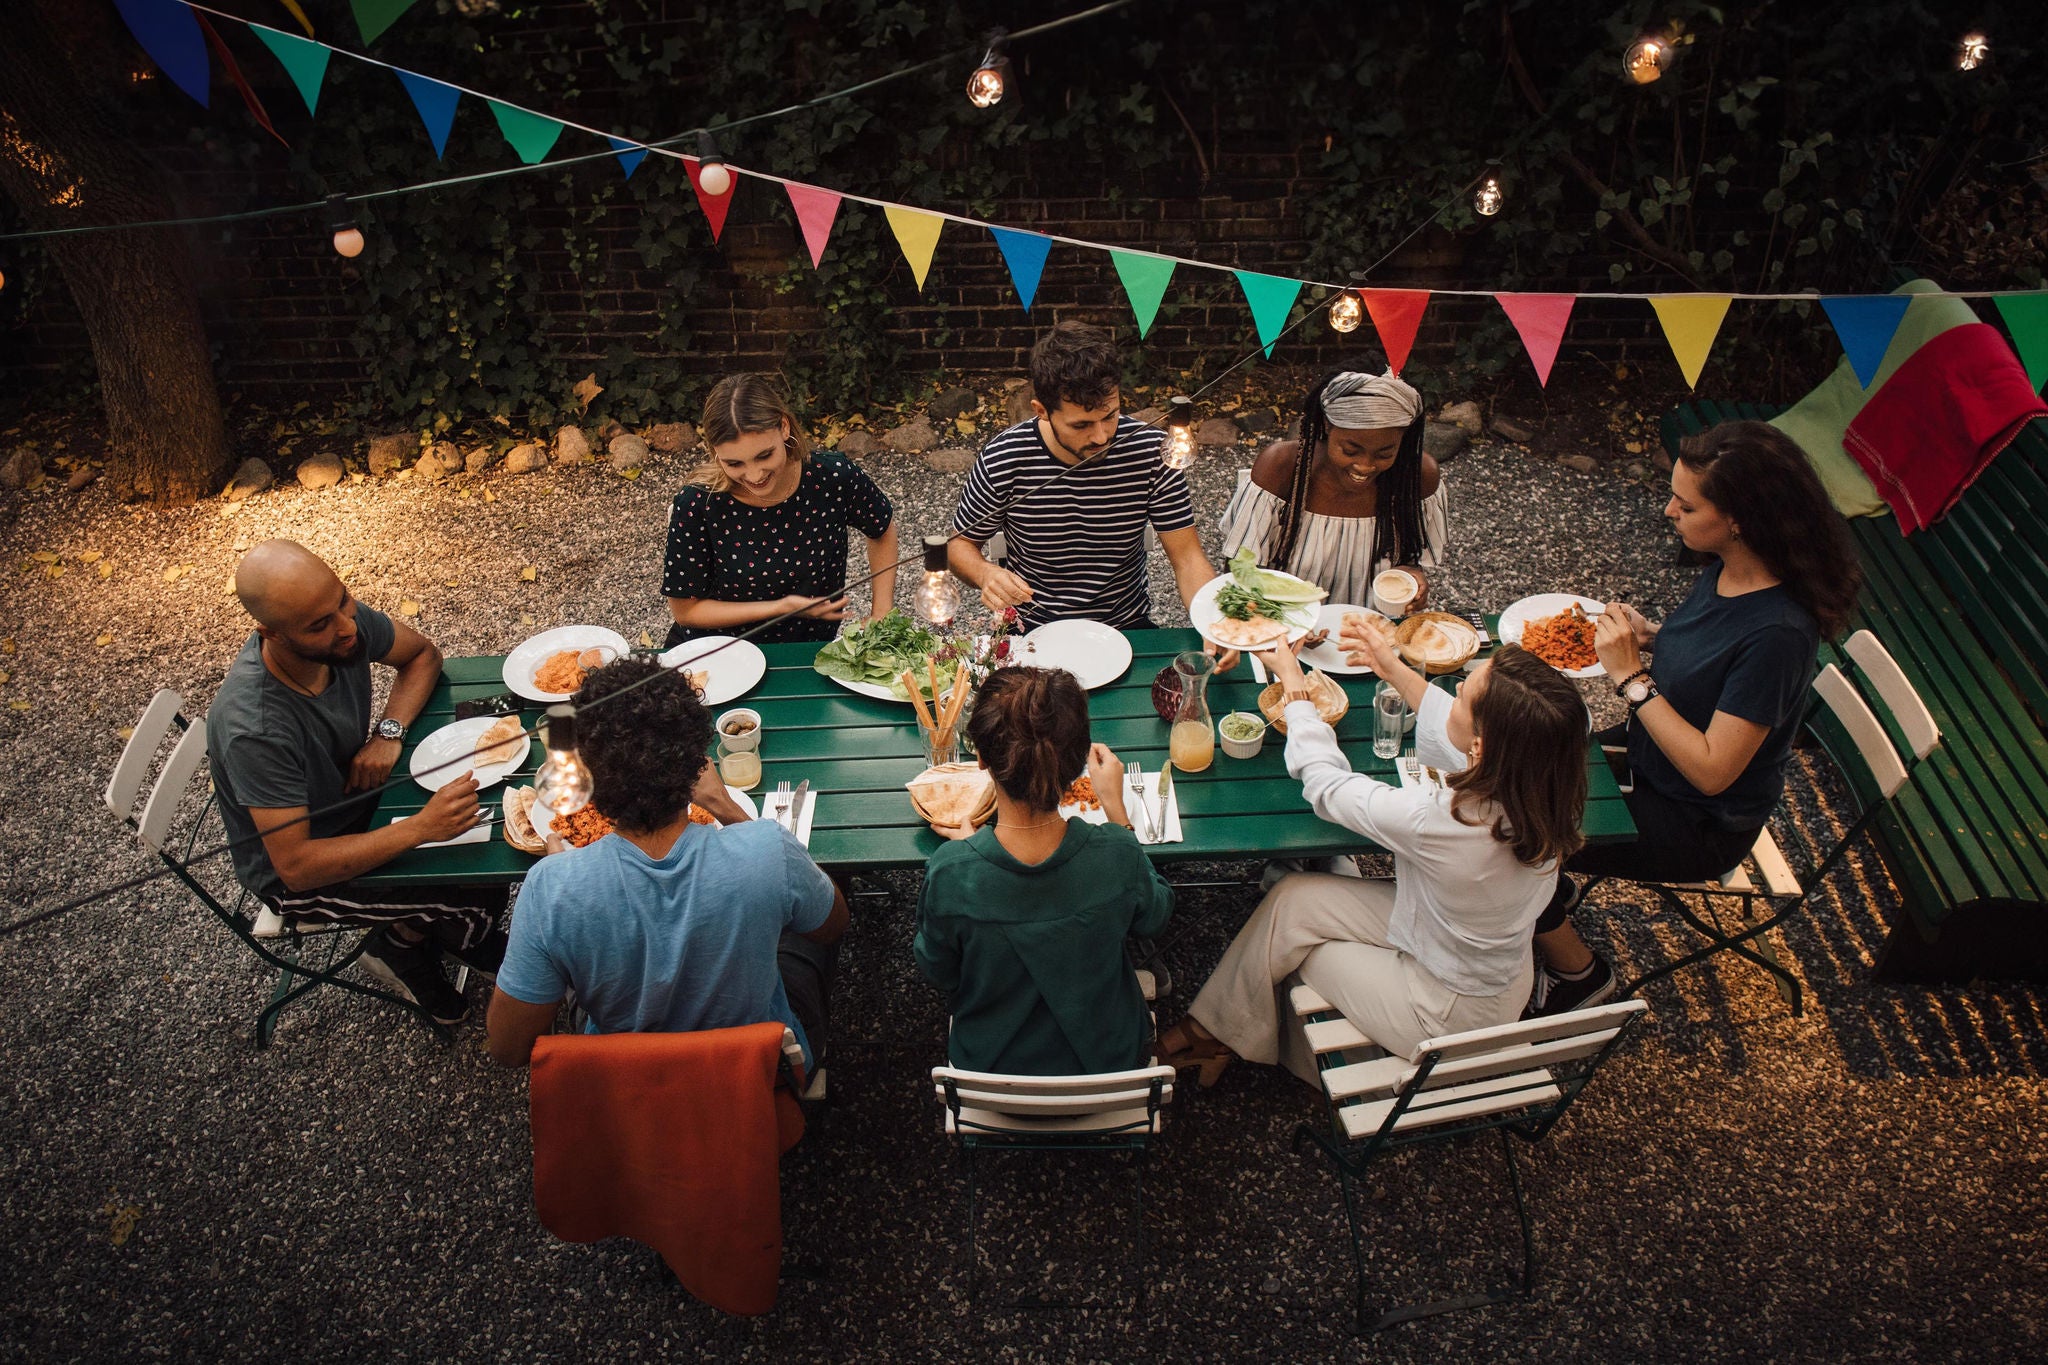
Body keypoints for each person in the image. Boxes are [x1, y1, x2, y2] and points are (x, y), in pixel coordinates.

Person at [1527, 420, 1862, 1015]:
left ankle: (1579, 973)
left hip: (1694, 819)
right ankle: (1545, 887)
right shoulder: (1729, 568)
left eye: (1686, 503)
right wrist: (1654, 638)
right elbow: (1709, 660)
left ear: (1739, 517)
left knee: (1511, 828)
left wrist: (1631, 677)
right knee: (1518, 746)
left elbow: (1713, 771)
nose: (1667, 511)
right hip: (1649, 761)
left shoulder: (1778, 634)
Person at [1155, 629, 1588, 1086]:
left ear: (1482, 748)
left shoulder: (1448, 825)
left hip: (1443, 1009)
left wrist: (1294, 689)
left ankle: (1241, 1043)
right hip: (1463, 951)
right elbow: (1458, 730)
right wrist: (1393, 668)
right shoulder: (1544, 788)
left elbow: (1327, 788)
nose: (1455, 689)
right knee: (1292, 898)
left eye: (1464, 695)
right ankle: (1210, 1029)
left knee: (1293, 950)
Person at [486, 657, 848, 1069]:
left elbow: (508, 1048)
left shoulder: (549, 888)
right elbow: (832, 924)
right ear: (696, 764)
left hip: (626, 1083)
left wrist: (561, 876)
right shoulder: (768, 849)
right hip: (759, 1073)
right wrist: (727, 808)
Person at [208, 540, 506, 1026]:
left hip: (362, 803)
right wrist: (419, 829)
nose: (348, 628)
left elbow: (423, 655)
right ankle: (405, 948)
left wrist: (389, 734)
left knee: (490, 843)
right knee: (476, 894)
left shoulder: (334, 622)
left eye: (343, 601)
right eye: (320, 625)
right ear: (271, 634)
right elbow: (298, 867)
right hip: (305, 871)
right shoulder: (255, 729)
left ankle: (403, 938)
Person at [914, 666, 1172, 1076]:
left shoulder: (951, 872)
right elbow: (1156, 916)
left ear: (980, 758)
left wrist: (967, 855)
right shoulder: (1117, 853)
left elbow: (938, 969)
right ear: (1076, 766)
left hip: (991, 1075)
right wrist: (1118, 814)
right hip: (1109, 1065)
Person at [948, 321, 1227, 636]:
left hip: (1127, 629)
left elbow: (1188, 558)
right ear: (1041, 410)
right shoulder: (1005, 456)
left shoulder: (1153, 451)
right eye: (1081, 425)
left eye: (1110, 415)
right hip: (1034, 630)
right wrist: (984, 573)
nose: (1101, 436)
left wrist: (1215, 626)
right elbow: (959, 545)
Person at [662, 372, 899, 649]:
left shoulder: (833, 477)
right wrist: (780, 608)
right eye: (734, 463)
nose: (754, 475)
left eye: (764, 455)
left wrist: (881, 612)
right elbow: (685, 611)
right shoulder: (697, 503)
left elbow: (882, 528)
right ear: (715, 452)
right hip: (714, 655)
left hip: (807, 652)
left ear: (784, 427)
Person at [1219, 363, 1447, 606]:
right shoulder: (1281, 468)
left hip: (1373, 631)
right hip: (1283, 625)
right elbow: (1239, 569)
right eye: (1351, 450)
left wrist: (1411, 576)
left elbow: (1410, 560)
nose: (1365, 466)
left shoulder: (1418, 477)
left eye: (1384, 454)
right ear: (1327, 426)